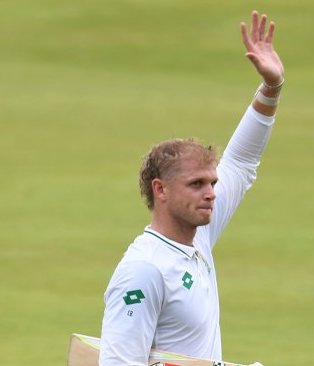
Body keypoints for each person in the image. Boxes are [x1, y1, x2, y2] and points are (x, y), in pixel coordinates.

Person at [99, 10, 284, 366]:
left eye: (212, 183)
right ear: (160, 189)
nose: (211, 192)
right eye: (196, 184)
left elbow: (242, 162)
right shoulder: (144, 270)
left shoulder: (197, 236)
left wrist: (271, 89)